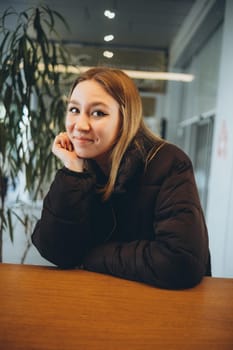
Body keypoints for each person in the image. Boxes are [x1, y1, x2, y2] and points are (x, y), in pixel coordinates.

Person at [32, 66, 211, 289]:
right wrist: (72, 171)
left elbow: (180, 261)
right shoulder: (81, 166)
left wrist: (91, 256)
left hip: (162, 307)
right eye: (74, 110)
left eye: (98, 113)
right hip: (98, 299)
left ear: (126, 119)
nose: (80, 125)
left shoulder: (168, 162)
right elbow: (55, 250)